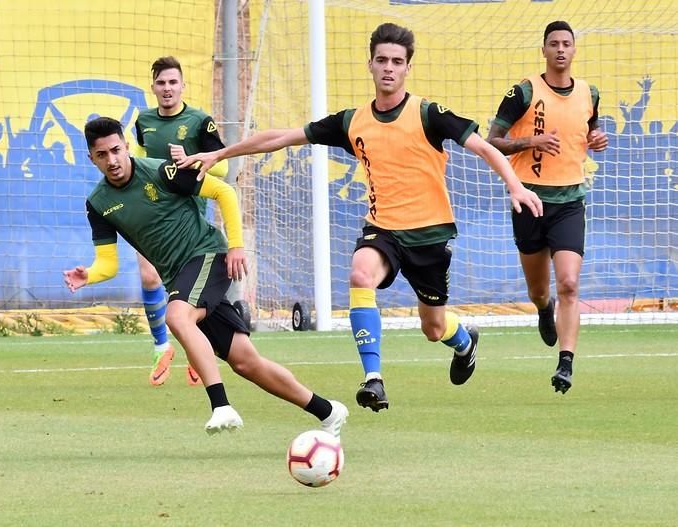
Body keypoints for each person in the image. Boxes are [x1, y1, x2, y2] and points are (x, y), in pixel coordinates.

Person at [172, 23, 543, 412]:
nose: (388, 68)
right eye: (382, 60)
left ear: (407, 68)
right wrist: (219, 154)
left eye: (397, 62)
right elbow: (280, 137)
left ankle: (464, 340)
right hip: (382, 230)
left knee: (433, 328)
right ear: (369, 64)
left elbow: (484, 148)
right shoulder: (353, 121)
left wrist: (516, 186)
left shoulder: (428, 113)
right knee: (360, 273)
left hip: (430, 235)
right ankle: (373, 378)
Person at [63, 116, 348, 437]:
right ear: (92, 159)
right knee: (246, 362)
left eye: (116, 150)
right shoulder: (98, 204)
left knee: (177, 317)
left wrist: (237, 246)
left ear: (127, 146)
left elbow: (224, 191)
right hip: (182, 279)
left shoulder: (163, 172)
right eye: (102, 155)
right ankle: (329, 411)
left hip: (209, 256)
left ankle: (221, 405)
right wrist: (89, 274)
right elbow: (108, 263)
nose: (112, 160)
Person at [486, 20, 608, 394]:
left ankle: (566, 363)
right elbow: (492, 142)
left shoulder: (590, 92)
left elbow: (588, 131)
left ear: (574, 50)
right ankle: (543, 308)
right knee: (540, 290)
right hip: (530, 200)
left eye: (566, 43)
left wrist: (596, 139)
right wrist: (531, 141)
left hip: (570, 200)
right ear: (543, 50)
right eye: (553, 43)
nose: (560, 49)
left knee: (570, 283)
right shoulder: (524, 92)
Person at [133, 56, 230, 387]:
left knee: (183, 287)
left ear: (183, 85)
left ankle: (193, 348)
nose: (167, 88)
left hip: (186, 218)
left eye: (173, 82)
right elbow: (138, 159)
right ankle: (161, 347)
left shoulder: (200, 121)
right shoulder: (143, 121)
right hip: (148, 210)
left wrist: (190, 162)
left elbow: (223, 167)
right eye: (161, 83)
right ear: (153, 87)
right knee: (148, 276)